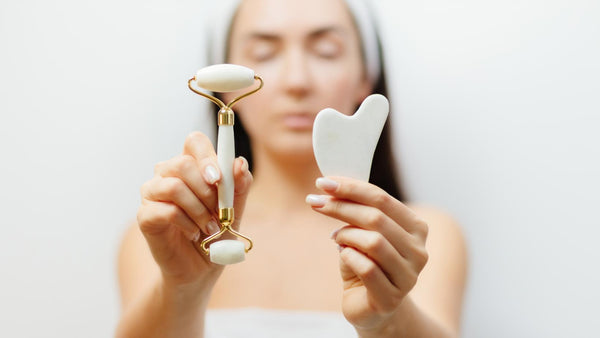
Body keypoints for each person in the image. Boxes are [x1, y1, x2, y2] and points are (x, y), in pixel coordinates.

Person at [116, 0, 468, 337]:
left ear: (366, 78)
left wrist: (386, 321)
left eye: (326, 51)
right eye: (264, 54)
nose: (296, 81)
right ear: (223, 88)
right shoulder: (170, 234)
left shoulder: (415, 238)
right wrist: (182, 290)